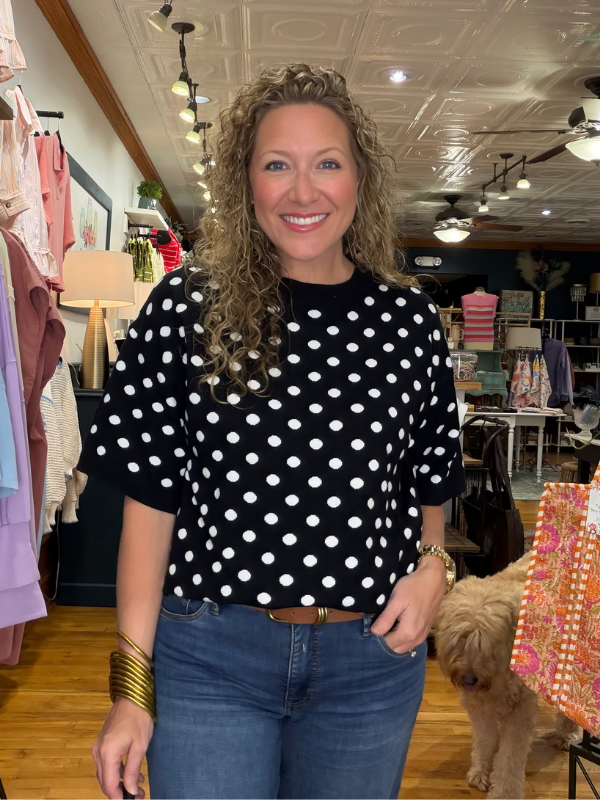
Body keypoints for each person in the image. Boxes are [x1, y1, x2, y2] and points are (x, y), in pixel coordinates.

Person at [79, 63, 465, 800]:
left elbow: (428, 478)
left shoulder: (408, 320)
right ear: (244, 181)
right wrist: (132, 687)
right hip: (209, 658)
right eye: (276, 165)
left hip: (370, 663)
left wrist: (434, 569)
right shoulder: (187, 307)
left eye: (327, 164)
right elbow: (150, 507)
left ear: (360, 180)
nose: (302, 191)